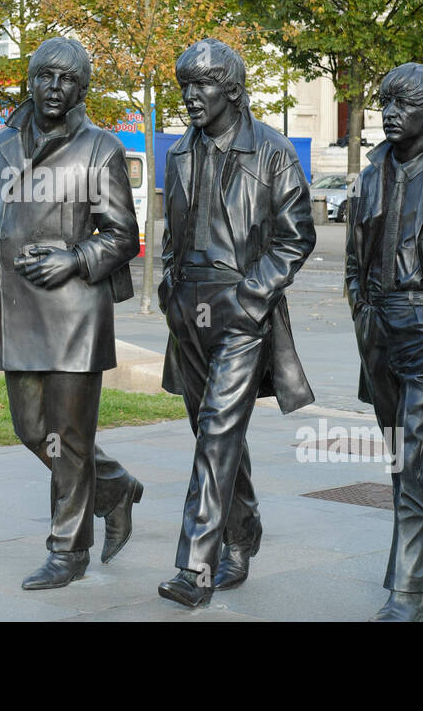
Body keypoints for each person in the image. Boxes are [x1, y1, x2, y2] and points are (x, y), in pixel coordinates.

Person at [0, 37, 145, 591]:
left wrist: (75, 256)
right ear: (30, 80)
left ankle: (67, 552)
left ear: (81, 89)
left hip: (75, 313)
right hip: (17, 310)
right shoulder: (0, 148)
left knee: (68, 436)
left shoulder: (101, 149)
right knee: (31, 429)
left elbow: (123, 235)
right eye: (45, 76)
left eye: (67, 80)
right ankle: (113, 487)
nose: (54, 88)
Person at [157, 38, 316, 608]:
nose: (190, 97)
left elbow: (297, 239)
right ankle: (243, 534)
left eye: (201, 86)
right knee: (213, 433)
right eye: (184, 87)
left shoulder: (271, 151)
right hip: (188, 311)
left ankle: (195, 565)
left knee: (220, 432)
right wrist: (169, 286)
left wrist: (250, 298)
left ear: (232, 89)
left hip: (242, 312)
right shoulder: (179, 152)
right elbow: (172, 232)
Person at [344, 63, 423, 621]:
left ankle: (410, 592)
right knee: (403, 460)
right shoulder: (371, 176)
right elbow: (352, 260)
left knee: (419, 462)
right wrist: (362, 312)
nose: (389, 114)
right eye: (385, 103)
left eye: (403, 106)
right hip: (380, 333)